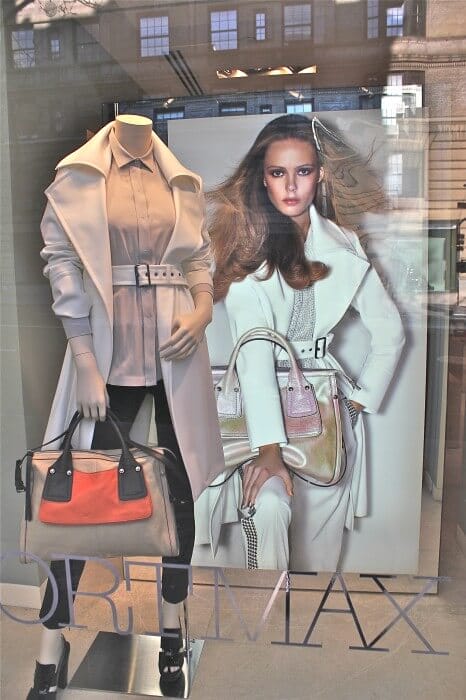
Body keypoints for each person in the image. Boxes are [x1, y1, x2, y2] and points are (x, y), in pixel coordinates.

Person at [27, 115, 224, 698]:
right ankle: (50, 646)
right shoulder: (80, 176)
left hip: (174, 351)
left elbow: (198, 259)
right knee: (73, 506)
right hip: (106, 357)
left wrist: (203, 309)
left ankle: (171, 633)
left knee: (178, 502)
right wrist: (84, 357)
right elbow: (62, 263)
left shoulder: (179, 181)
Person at [204, 114, 405, 571]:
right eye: (278, 172)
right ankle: (266, 610)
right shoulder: (246, 249)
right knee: (266, 514)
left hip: (324, 406)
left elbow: (390, 331)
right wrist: (269, 449)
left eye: (303, 171)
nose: (291, 186)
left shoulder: (344, 243)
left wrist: (358, 401)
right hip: (257, 409)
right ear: (262, 178)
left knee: (320, 545)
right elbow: (255, 355)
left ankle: (299, 611)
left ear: (321, 175)